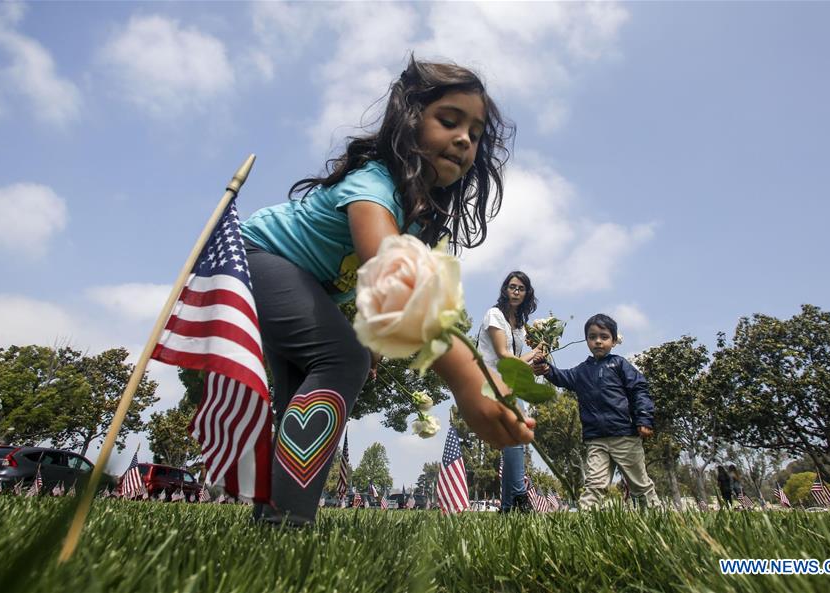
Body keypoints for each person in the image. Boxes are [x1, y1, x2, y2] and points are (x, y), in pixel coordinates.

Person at [240, 56, 528, 527]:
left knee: (309, 387)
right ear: (409, 121)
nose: (464, 139)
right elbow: (392, 282)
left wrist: (371, 338)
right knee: (341, 360)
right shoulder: (373, 185)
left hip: (305, 285)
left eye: (475, 134)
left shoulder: (420, 220)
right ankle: (288, 520)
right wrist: (466, 377)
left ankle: (277, 521)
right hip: (256, 256)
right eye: (449, 121)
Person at [532, 313, 660, 509]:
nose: (598, 341)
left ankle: (655, 514)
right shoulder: (582, 371)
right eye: (592, 337)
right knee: (594, 484)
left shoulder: (619, 365)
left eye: (604, 337)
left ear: (614, 341)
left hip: (624, 436)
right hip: (596, 439)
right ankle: (586, 518)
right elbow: (562, 377)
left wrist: (644, 419)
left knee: (639, 483)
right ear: (587, 341)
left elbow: (639, 389)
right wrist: (545, 368)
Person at [476, 271, 541, 513]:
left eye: (521, 288)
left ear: (526, 294)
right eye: (512, 286)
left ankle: (507, 506)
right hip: (492, 384)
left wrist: (536, 361)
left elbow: (517, 362)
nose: (516, 291)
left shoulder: (520, 327)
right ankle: (520, 496)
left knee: (513, 441)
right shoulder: (494, 315)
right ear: (505, 290)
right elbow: (503, 355)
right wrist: (533, 354)